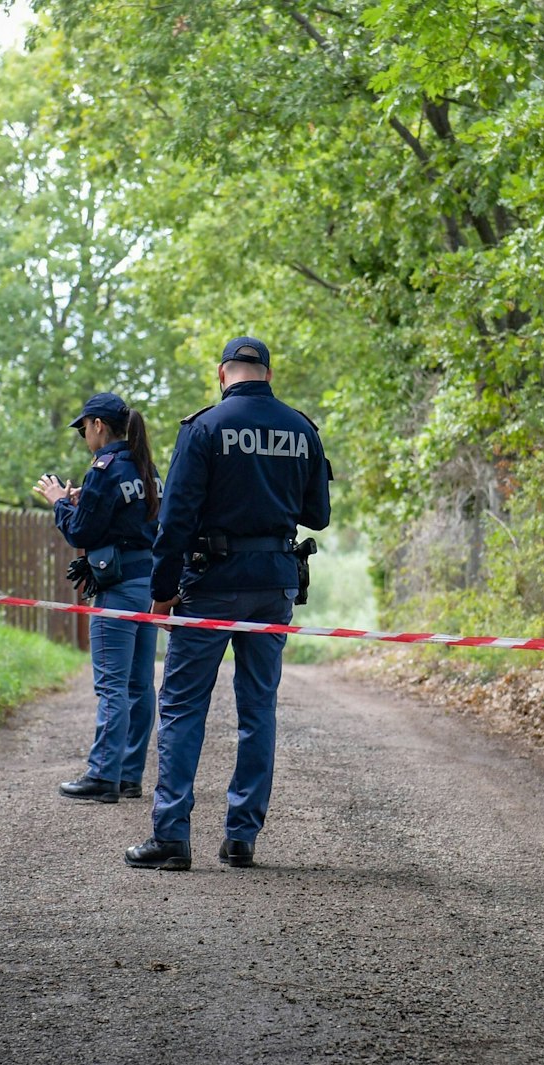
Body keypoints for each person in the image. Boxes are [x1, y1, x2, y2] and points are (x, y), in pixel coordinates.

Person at [123, 336, 332, 871]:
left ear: (223, 374)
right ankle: (242, 837)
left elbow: (175, 520)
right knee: (257, 709)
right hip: (274, 584)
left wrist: (163, 591)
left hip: (209, 586)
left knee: (184, 706)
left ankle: (172, 837)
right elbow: (319, 514)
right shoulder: (302, 429)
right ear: (267, 373)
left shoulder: (204, 428)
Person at [34, 392, 162, 804]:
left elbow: (82, 534)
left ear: (98, 426)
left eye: (84, 428)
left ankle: (102, 776)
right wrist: (81, 500)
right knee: (140, 686)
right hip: (148, 584)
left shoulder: (104, 469)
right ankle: (128, 775)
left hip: (118, 587)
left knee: (112, 686)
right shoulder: (147, 467)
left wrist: (58, 503)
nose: (84, 436)